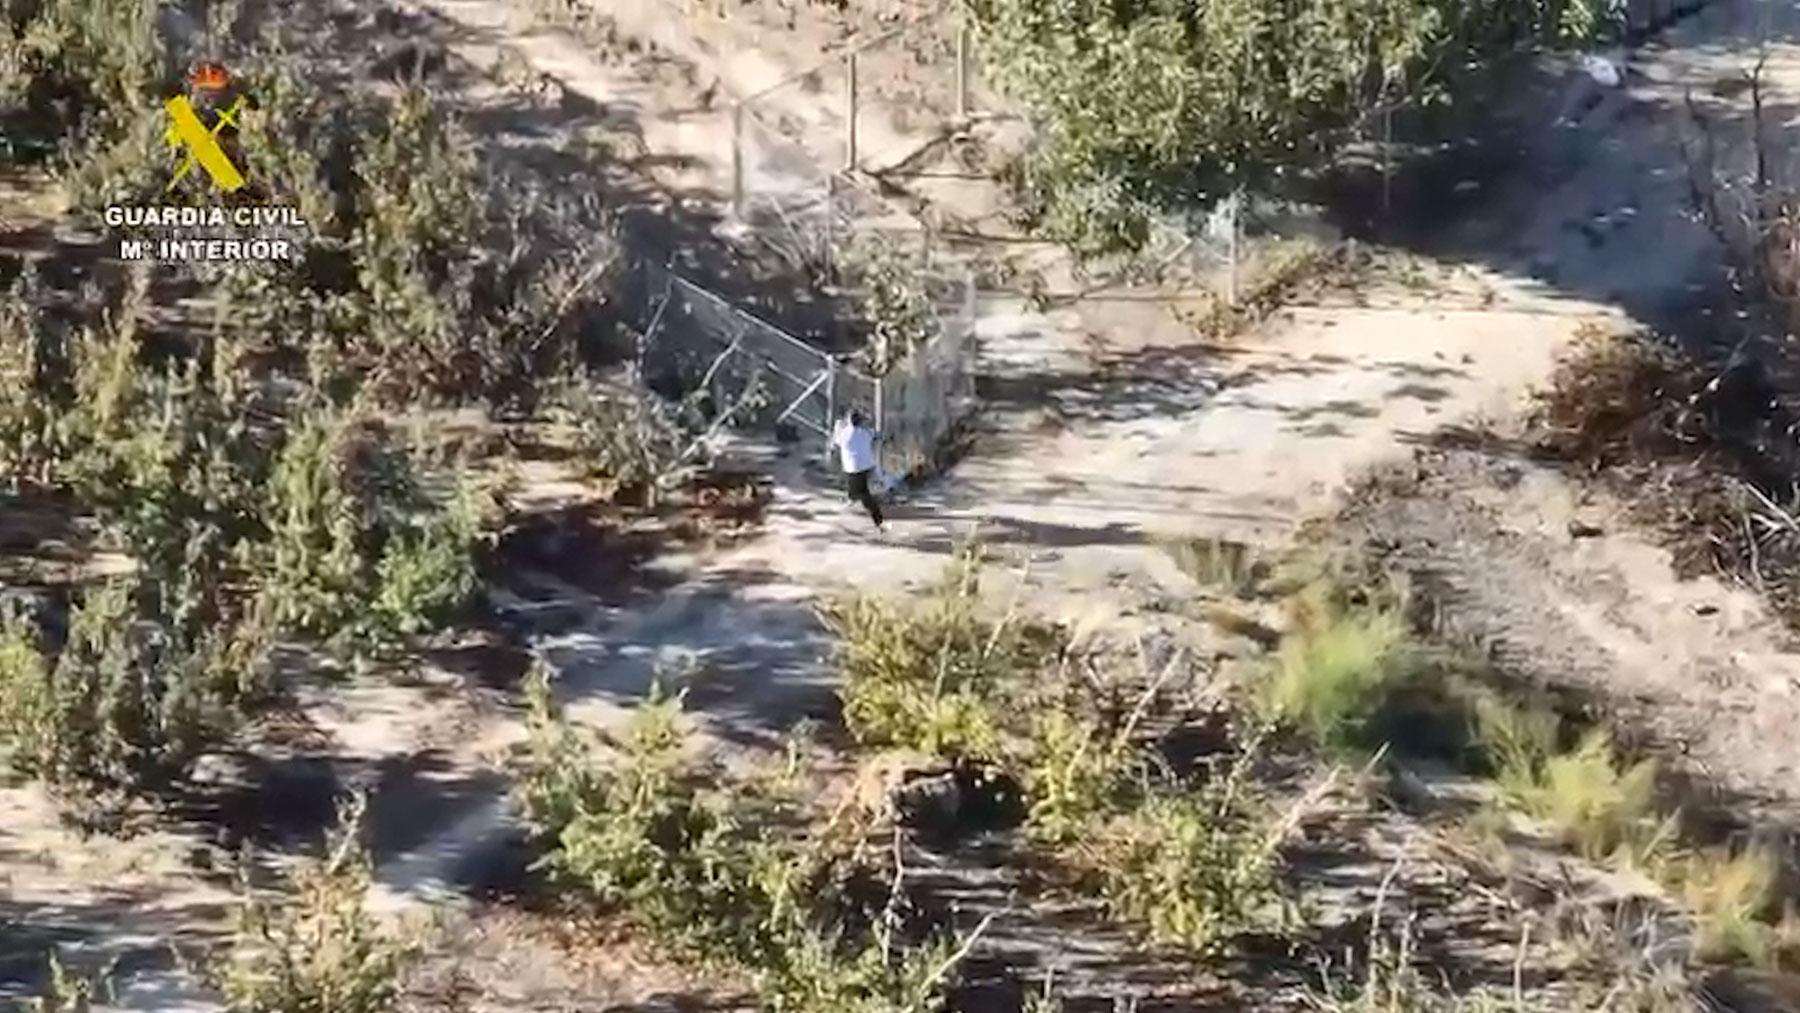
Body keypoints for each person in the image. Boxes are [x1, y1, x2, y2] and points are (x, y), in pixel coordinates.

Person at [831, 409, 884, 530]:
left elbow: (835, 442)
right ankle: (852, 497)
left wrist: (838, 426)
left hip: (854, 468)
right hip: (867, 466)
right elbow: (876, 435)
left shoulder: (844, 433)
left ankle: (878, 518)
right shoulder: (864, 432)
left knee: (863, 494)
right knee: (857, 488)